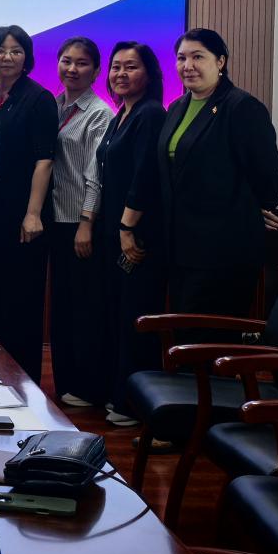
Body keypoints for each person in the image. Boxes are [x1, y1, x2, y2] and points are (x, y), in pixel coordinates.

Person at [142, 29, 278, 332]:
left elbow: (268, 172)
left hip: (223, 252)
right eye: (181, 58)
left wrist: (253, 208)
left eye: (198, 57)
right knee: (183, 335)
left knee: (209, 339)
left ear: (220, 61)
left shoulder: (241, 107)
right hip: (180, 247)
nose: (188, 66)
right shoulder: (177, 107)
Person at [91, 41, 167, 423]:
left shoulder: (150, 114)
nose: (121, 73)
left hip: (135, 236)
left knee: (136, 318)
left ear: (149, 74)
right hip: (112, 232)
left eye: (131, 67)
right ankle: (117, 392)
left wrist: (126, 228)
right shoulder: (121, 113)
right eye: (116, 67)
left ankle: (134, 404)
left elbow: (144, 176)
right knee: (117, 315)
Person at [0, 25, 58, 383]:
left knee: (21, 304)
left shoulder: (39, 98)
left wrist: (33, 213)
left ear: (27, 57)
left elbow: (45, 160)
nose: (6, 57)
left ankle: (25, 386)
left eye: (15, 51)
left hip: (23, 216)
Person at [46, 37, 114, 409]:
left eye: (82, 63)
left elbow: (95, 176)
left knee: (85, 307)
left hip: (79, 222)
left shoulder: (99, 113)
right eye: (66, 61)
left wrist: (87, 223)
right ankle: (67, 382)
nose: (72, 69)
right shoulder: (55, 105)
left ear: (96, 70)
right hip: (56, 219)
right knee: (62, 306)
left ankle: (88, 386)